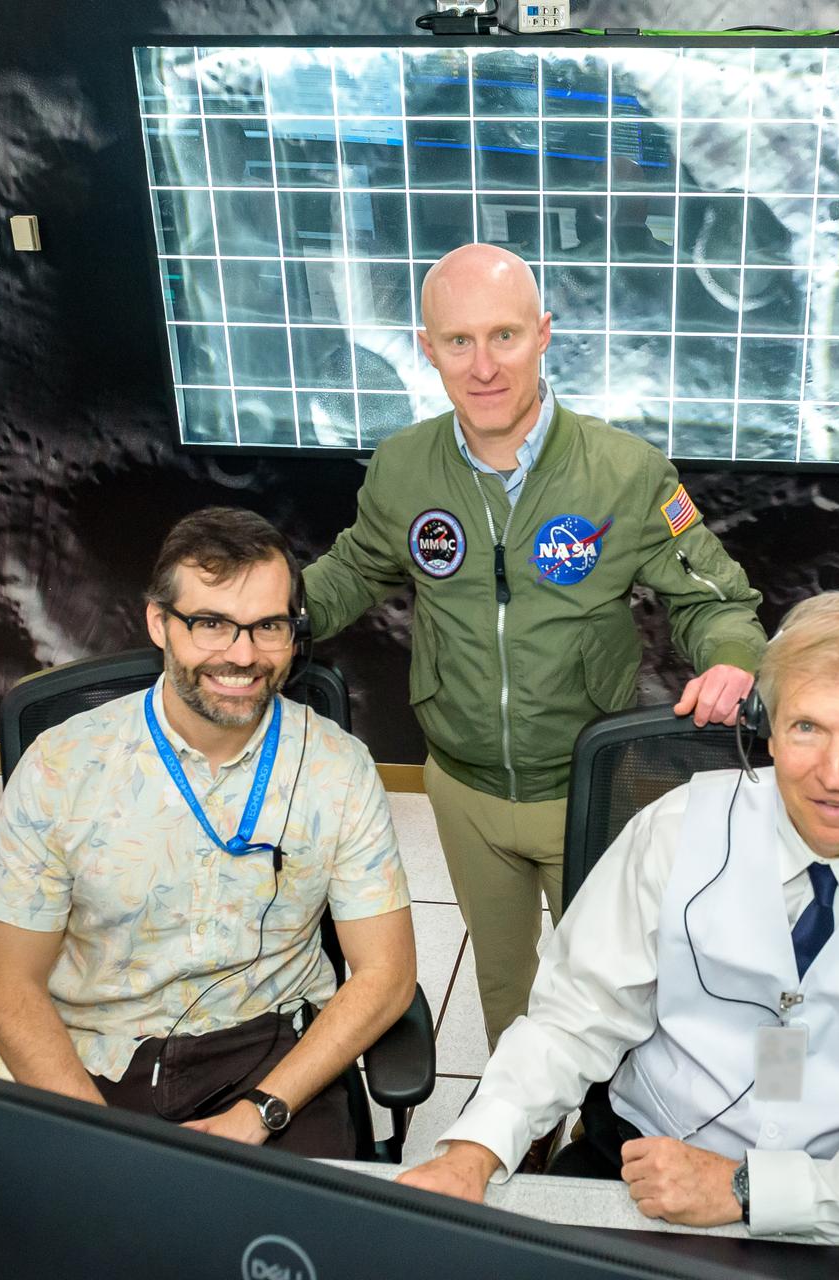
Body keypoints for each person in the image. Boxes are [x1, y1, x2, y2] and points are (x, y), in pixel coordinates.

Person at [398, 591, 839, 1244]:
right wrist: (473, 1150)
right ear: (769, 726)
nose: (835, 775)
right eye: (807, 728)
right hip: (645, 1166)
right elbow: (573, 1017)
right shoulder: (676, 831)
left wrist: (747, 1190)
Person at [304, 244, 768, 1092]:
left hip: (589, 786)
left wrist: (734, 660)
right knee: (504, 986)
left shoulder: (626, 473)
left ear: (544, 335)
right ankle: (525, 1124)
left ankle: (610, 1127)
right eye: (458, 342)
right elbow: (350, 572)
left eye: (505, 336)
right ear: (426, 345)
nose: (483, 367)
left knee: (616, 983)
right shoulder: (405, 467)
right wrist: (264, 622)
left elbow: (714, 597)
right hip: (464, 786)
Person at [0, 507, 415, 1158]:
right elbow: (5, 985)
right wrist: (97, 1138)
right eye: (211, 624)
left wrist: (261, 1110)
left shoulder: (336, 767)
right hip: (100, 1055)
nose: (242, 655)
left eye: (267, 627)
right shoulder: (62, 765)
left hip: (271, 1053)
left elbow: (387, 973)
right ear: (159, 622)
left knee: (297, 1252)